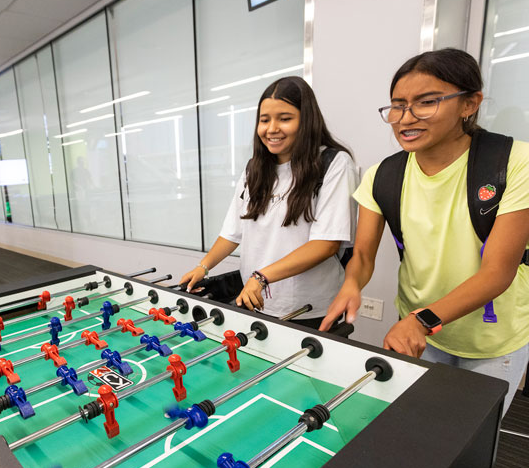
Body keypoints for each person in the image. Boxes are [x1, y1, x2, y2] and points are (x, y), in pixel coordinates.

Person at [320, 48, 529, 414]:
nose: (405, 118)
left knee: (470, 444)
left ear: (470, 103)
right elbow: (364, 255)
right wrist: (352, 284)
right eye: (397, 105)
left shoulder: (513, 162)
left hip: (491, 340)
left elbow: (499, 271)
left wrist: (422, 319)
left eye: (426, 102)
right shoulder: (382, 176)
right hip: (420, 335)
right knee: (419, 428)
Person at [180, 76, 358, 329]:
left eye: (284, 118)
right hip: (255, 298)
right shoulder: (255, 169)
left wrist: (262, 277)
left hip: (308, 307)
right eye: (264, 120)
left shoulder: (334, 164)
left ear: (306, 120)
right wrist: (203, 266)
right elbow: (233, 232)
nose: (271, 128)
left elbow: (326, 244)